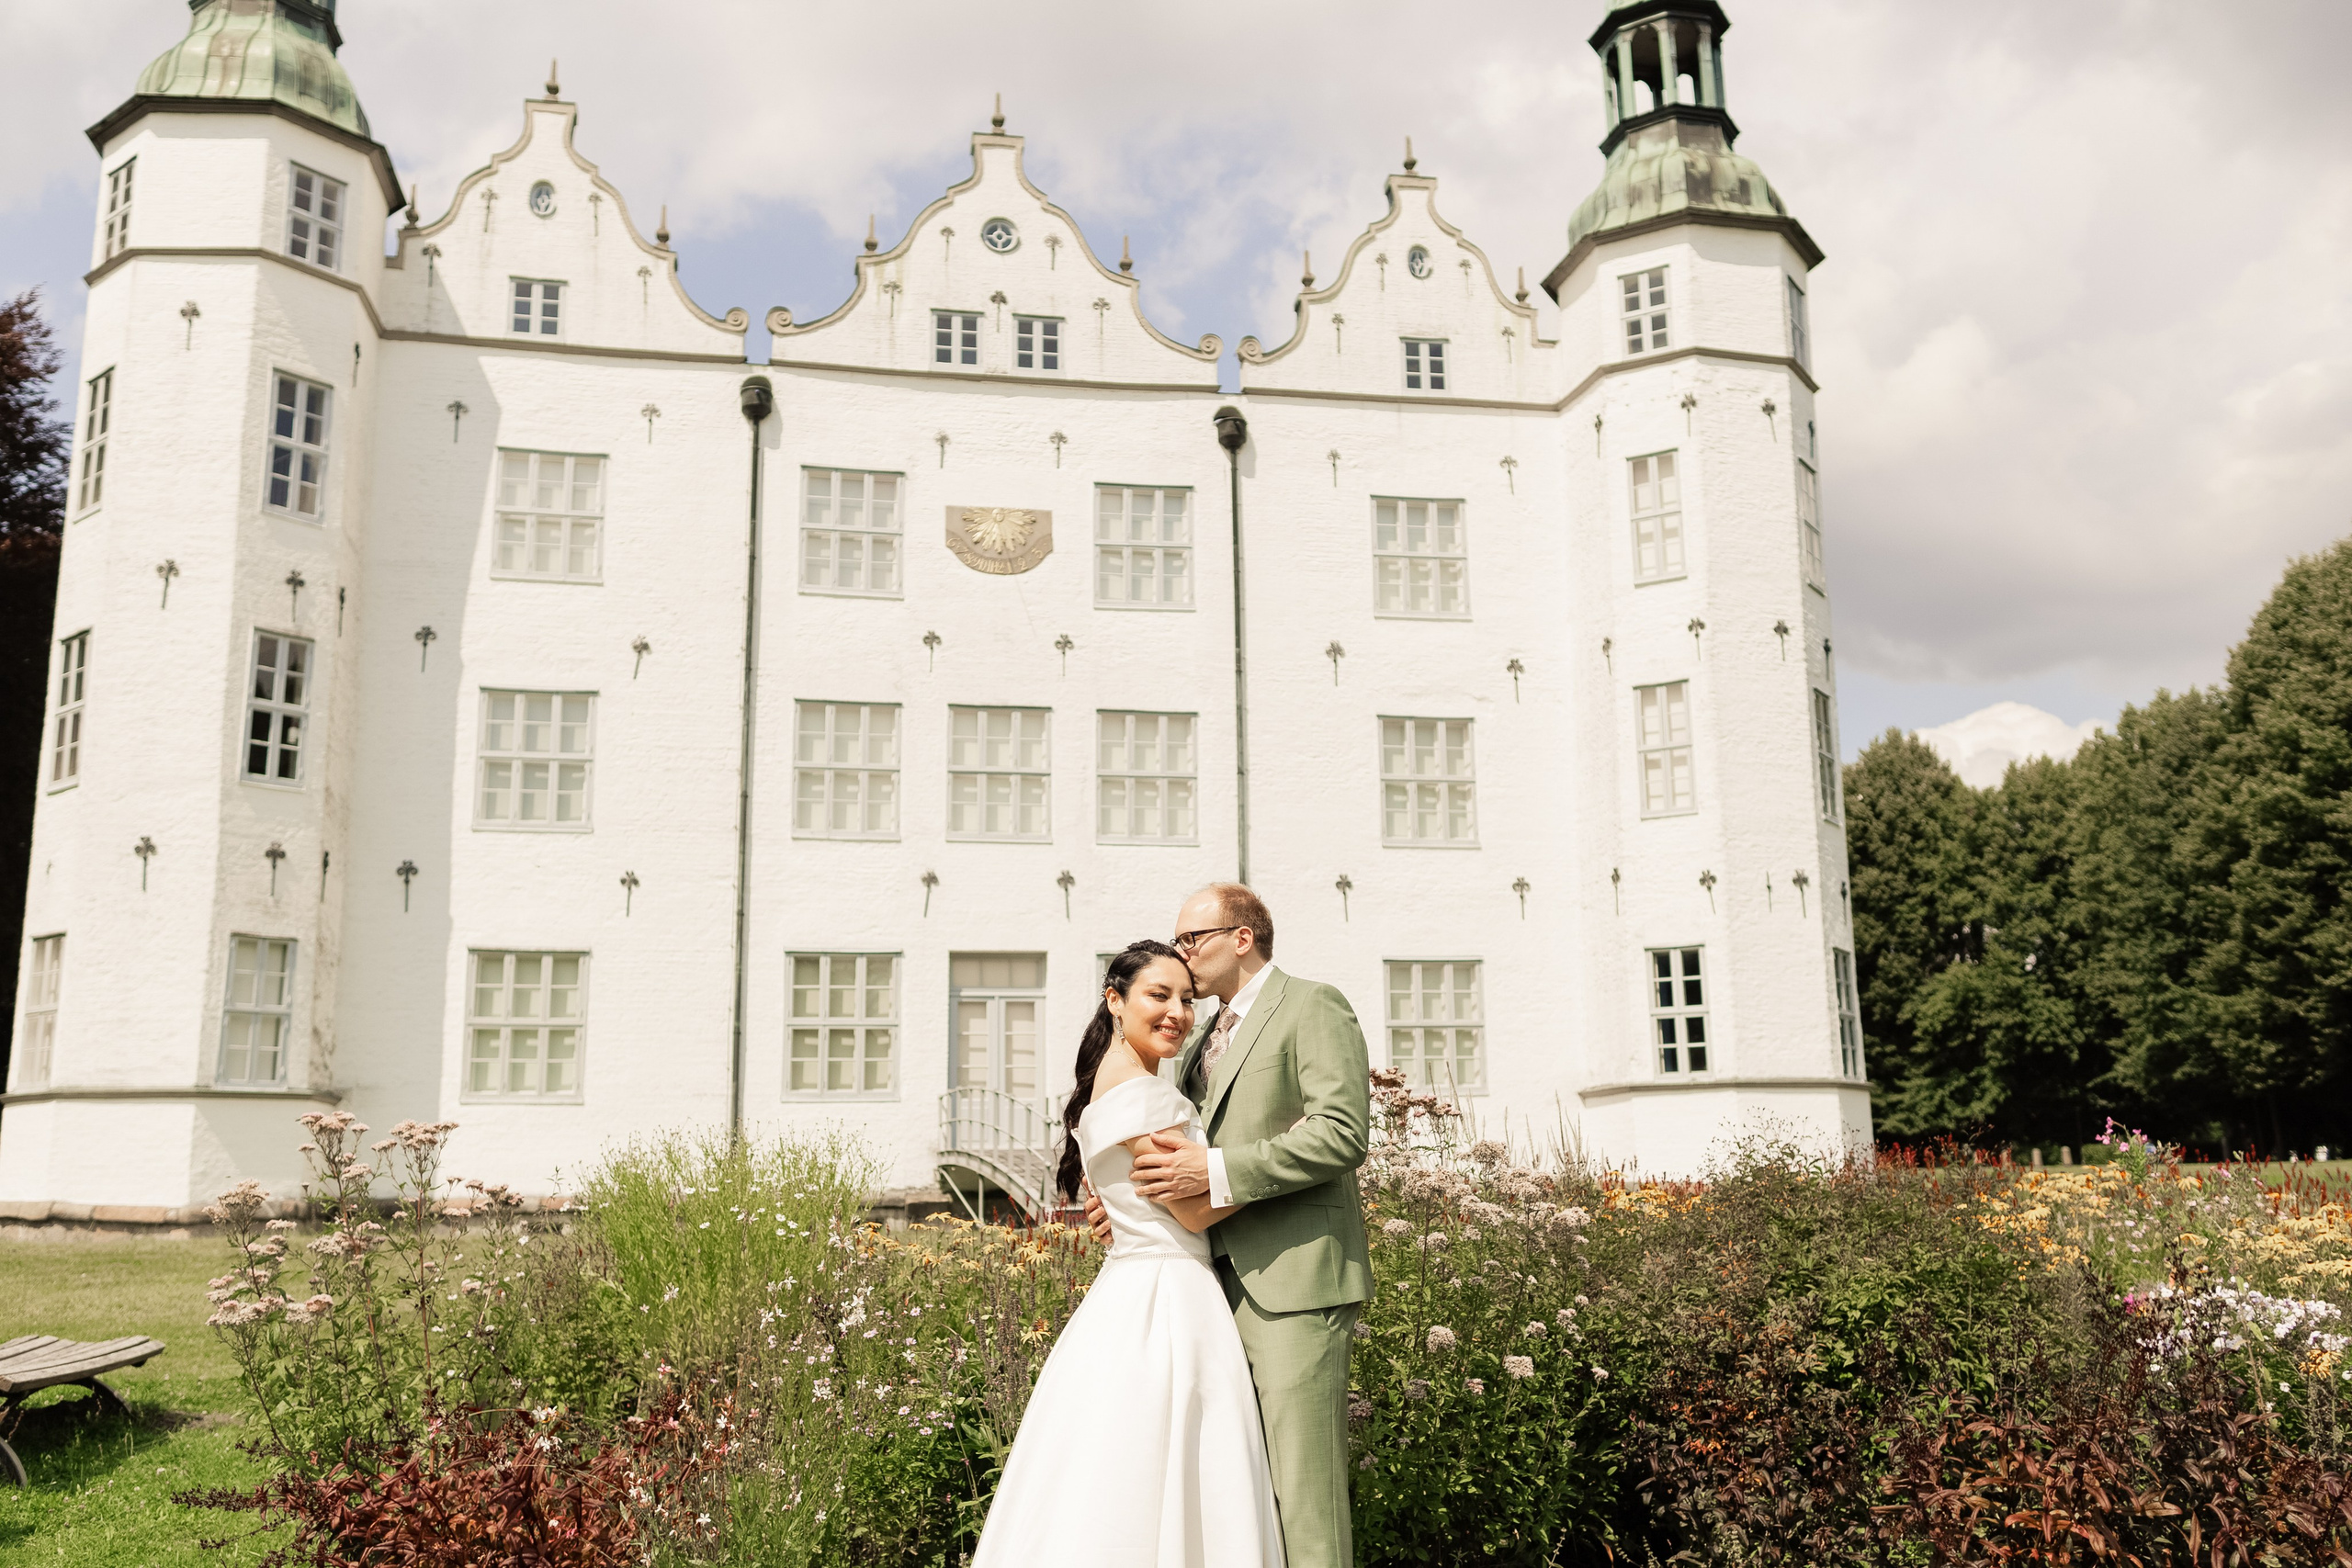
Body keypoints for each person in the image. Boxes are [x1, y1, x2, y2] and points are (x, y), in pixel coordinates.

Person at [970, 940, 1285, 1568]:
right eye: (1158, 995)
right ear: (1114, 999)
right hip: (1171, 1298)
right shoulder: (1148, 1096)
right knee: (1180, 1467)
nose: (1177, 1012)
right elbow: (1193, 1209)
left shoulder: (1109, 1086)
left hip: (1128, 1293)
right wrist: (1279, 1162)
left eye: (1187, 999)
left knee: (1114, 1470)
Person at [1107, 885, 1374, 1568]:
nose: (1181, 953)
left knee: (1302, 1496)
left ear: (1242, 937)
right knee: (1237, 1497)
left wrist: (1216, 1173)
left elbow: (1342, 1134)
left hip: (1293, 1284)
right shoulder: (1199, 1036)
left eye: (1191, 939)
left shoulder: (1313, 1004)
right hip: (1207, 1286)